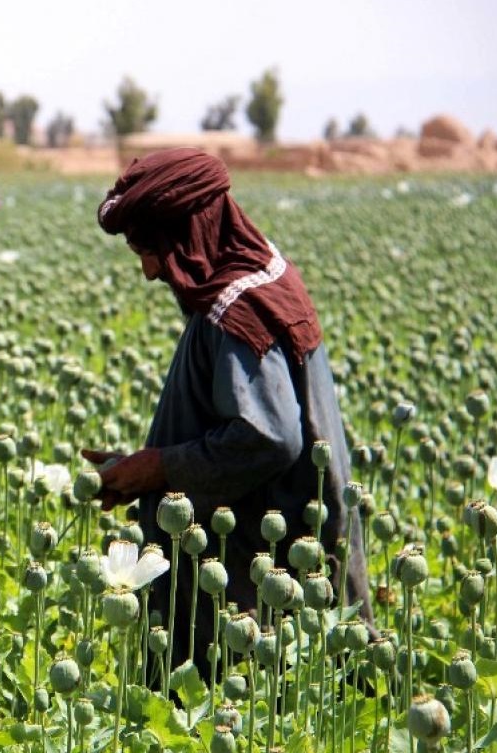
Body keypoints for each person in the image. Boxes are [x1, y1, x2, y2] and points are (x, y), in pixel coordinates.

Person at [82, 148, 372, 672]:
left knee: (253, 713)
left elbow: (269, 437)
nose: (150, 272)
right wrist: (146, 465)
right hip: (268, 561)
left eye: (153, 252)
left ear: (190, 235)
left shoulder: (235, 311)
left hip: (252, 585)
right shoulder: (263, 274)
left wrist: (161, 467)